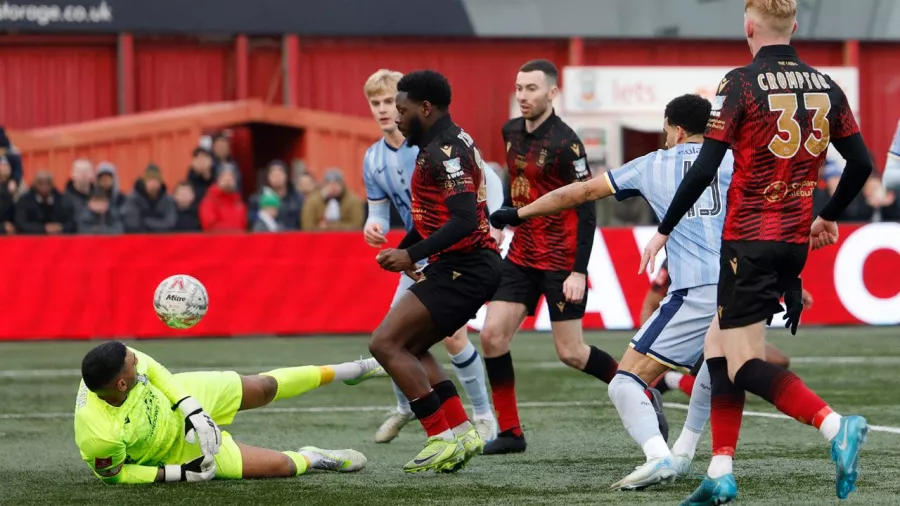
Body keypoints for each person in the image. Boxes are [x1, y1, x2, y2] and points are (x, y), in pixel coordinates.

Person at [639, 1, 873, 503]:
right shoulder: (827, 86)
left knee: (744, 363)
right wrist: (828, 214)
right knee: (716, 349)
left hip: (748, 240)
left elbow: (703, 169)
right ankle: (720, 469)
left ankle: (835, 426)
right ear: (795, 25)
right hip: (793, 241)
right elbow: (861, 162)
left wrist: (663, 228)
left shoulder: (739, 83)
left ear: (748, 26)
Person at [493, 94, 733, 489]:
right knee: (715, 365)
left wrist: (519, 213)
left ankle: (658, 456)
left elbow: (579, 193)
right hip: (741, 284)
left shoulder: (652, 163)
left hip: (696, 289)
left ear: (674, 128)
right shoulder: (732, 159)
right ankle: (687, 452)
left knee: (625, 381)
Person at [478, 59, 629, 456]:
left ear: (552, 93)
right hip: (522, 255)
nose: (523, 96)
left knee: (571, 353)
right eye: (519, 88)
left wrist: (579, 270)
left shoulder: (567, 143)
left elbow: (588, 206)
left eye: (532, 88)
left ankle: (639, 390)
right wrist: (501, 223)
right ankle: (510, 432)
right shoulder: (510, 131)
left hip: (562, 260)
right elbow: (518, 187)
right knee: (492, 338)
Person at [368, 70, 502, 473]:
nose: (397, 118)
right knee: (409, 345)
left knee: (384, 344)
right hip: (462, 265)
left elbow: (462, 220)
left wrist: (411, 257)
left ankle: (439, 436)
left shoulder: (444, 151)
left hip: (467, 267)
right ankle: (461, 432)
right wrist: (407, 248)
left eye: (403, 110)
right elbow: (434, 217)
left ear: (425, 108)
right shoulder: (444, 143)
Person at [75, 341, 376, 484]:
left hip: (180, 396)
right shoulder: (101, 436)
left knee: (264, 387)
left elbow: (156, 371)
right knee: (282, 466)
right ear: (122, 383)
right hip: (176, 451)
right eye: (133, 365)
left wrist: (191, 409)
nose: (138, 362)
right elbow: (114, 476)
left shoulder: (116, 363)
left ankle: (352, 369)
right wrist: (178, 473)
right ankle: (315, 456)